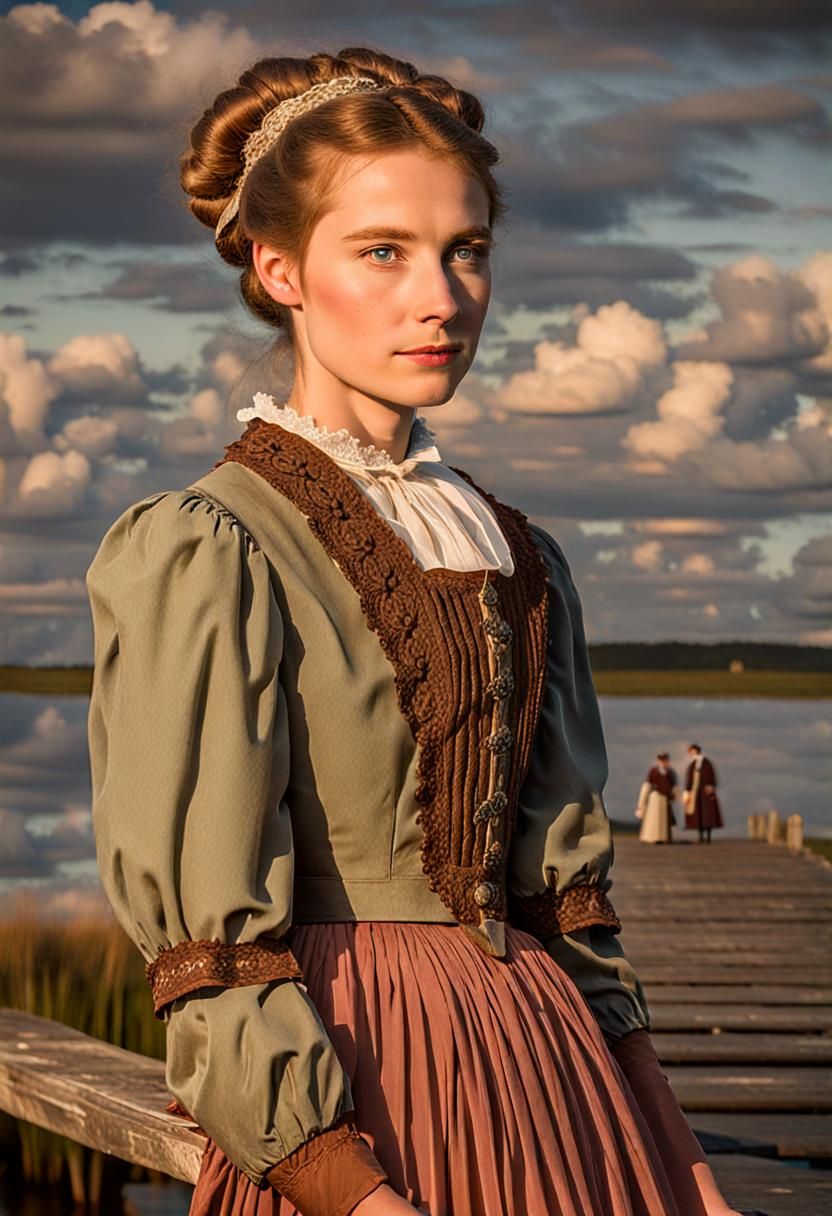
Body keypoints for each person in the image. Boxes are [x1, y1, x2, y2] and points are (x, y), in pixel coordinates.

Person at [85, 48, 748, 1216]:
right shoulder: (212, 544)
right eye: (383, 250)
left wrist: (681, 1166)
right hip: (353, 1096)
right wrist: (354, 1191)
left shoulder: (519, 552)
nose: (440, 297)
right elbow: (210, 952)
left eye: (466, 249)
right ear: (280, 268)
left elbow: (564, 902)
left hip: (554, 1083)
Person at [684, 743, 724, 844]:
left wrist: (711, 786)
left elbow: (711, 776)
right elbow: (690, 779)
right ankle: (701, 836)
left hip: (705, 793)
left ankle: (708, 836)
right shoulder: (693, 765)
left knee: (708, 815)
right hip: (696, 793)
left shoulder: (706, 763)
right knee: (698, 815)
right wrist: (688, 790)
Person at [636, 751, 678, 844]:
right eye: (661, 760)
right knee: (654, 818)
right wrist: (642, 802)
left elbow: (674, 786)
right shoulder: (654, 771)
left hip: (665, 798)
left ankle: (664, 837)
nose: (663, 762)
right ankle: (651, 837)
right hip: (655, 797)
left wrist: (673, 796)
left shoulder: (670, 772)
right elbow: (647, 785)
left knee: (664, 819)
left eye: (665, 760)